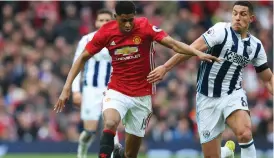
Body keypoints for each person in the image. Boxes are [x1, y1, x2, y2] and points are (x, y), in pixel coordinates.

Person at [54, 1, 219, 158]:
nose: (127, 24)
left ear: (134, 16)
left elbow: (173, 44)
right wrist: (67, 87)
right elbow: (82, 57)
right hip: (117, 90)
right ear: (116, 17)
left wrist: (197, 53)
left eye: (130, 20)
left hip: (142, 96)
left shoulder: (145, 27)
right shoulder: (106, 32)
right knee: (110, 123)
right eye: (123, 20)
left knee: (130, 154)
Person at [147, 1, 273, 158]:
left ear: (252, 18)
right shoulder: (220, 31)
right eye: (235, 13)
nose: (237, 17)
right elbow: (190, 50)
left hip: (232, 93)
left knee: (245, 133)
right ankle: (225, 152)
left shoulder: (256, 46)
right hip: (206, 98)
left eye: (243, 14)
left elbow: (267, 78)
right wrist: (165, 67)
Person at [71, 9, 119, 158]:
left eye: (107, 20)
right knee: (89, 131)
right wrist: (75, 91)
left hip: (111, 90)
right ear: (96, 22)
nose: (104, 23)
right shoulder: (86, 40)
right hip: (91, 90)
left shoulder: (119, 40)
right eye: (101, 20)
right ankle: (82, 150)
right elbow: (76, 65)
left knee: (111, 126)